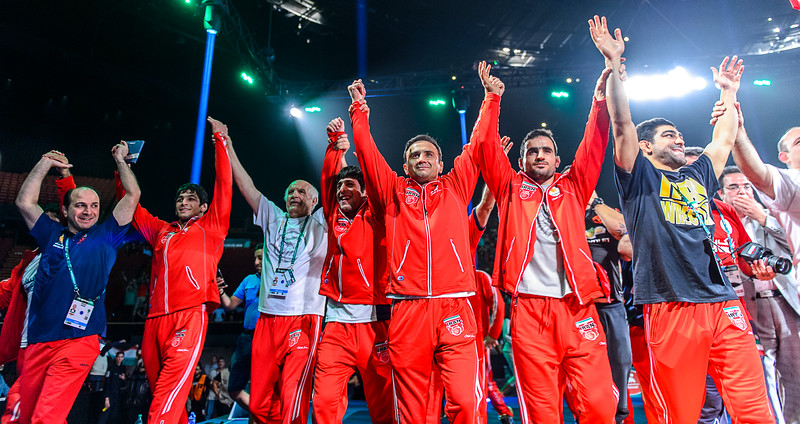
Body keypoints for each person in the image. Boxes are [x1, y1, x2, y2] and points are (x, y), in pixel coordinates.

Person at [595, 11, 773, 421]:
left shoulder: (698, 175)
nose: (678, 140)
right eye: (668, 135)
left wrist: (728, 92)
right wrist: (613, 65)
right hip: (670, 305)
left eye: (679, 134)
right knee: (681, 413)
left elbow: (723, 138)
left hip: (723, 302)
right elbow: (621, 124)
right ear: (646, 147)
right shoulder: (639, 178)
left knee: (753, 409)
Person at [473, 53, 617, 421]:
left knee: (600, 404)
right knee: (541, 411)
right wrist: (492, 99)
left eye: (546, 151)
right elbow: (485, 149)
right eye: (532, 151)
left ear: (557, 159)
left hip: (577, 306)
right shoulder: (509, 187)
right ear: (521, 161)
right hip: (530, 310)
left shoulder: (574, 186)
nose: (539, 155)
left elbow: (595, 144)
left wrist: (599, 102)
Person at [348, 72, 488, 423]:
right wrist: (359, 109)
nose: (421, 158)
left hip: (454, 303)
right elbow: (367, 154)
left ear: (441, 164)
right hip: (407, 308)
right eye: (414, 155)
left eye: (429, 154)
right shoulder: (392, 191)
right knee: (413, 410)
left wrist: (491, 99)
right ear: (405, 165)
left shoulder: (456, 186)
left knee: (465, 401)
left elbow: (476, 144)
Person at [14, 142, 139, 423]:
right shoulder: (51, 234)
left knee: (46, 417)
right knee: (28, 416)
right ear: (66, 209)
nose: (88, 211)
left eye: (94, 206)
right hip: (38, 341)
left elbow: (132, 195)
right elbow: (24, 202)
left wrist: (120, 161)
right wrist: (45, 163)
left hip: (79, 340)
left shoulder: (107, 235)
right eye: (80, 205)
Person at [123, 116, 232, 424]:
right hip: (154, 319)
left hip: (190, 315)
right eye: (180, 198)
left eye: (191, 199)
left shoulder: (212, 227)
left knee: (167, 393)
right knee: (162, 391)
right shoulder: (162, 231)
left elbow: (224, 185)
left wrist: (220, 141)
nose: (183, 202)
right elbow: (132, 207)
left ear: (203, 207)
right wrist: (122, 168)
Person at [225, 121, 327, 424]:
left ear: (315, 201)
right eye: (290, 190)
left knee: (294, 393)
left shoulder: (321, 222)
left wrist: (336, 149)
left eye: (302, 191)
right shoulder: (272, 218)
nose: (295, 194)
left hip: (303, 317)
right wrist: (227, 143)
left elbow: (336, 189)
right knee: (258, 400)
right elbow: (245, 185)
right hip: (268, 318)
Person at [311, 118, 392, 424]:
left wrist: (357, 137)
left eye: (350, 185)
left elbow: (377, 179)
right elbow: (328, 179)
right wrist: (335, 144)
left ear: (366, 192)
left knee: (384, 406)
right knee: (324, 403)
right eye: (340, 186)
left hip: (376, 323)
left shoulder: (378, 214)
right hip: (336, 326)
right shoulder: (334, 214)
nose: (342, 190)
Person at [718, 164, 800, 424]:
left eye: (746, 186)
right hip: (749, 305)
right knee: (764, 373)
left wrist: (763, 217)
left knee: (795, 372)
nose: (742, 192)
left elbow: (793, 245)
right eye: (733, 187)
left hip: (785, 302)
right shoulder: (722, 225)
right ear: (721, 194)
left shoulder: (771, 215)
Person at [1, 154, 76, 424]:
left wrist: (65, 177)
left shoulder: (73, 249)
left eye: (52, 223)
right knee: (38, 412)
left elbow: (73, 208)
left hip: (58, 344)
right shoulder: (28, 262)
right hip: (27, 345)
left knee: (31, 409)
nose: (46, 227)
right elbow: (5, 294)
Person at [583, 190, 633, 423]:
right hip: (578, 307)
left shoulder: (605, 213)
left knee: (620, 363)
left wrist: (595, 202)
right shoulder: (561, 214)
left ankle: (619, 416)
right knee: (585, 370)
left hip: (610, 303)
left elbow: (627, 246)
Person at [731, 116, 800, 281]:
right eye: (799, 142)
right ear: (785, 157)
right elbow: (758, 175)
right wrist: (736, 131)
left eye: (746, 186)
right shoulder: (792, 183)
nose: (741, 191)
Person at [217, 245, 262, 412]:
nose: (256, 262)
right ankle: (263, 416)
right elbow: (229, 305)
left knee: (262, 387)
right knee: (234, 389)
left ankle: (263, 417)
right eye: (255, 258)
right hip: (246, 339)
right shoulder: (249, 280)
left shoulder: (278, 279)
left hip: (266, 340)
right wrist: (220, 291)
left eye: (260, 258)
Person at [99, 352, 127, 424]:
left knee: (113, 415)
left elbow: (123, 385)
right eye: (118, 357)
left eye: (121, 357)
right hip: (109, 395)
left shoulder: (122, 368)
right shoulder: (111, 368)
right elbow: (107, 384)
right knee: (104, 413)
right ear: (116, 358)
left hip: (117, 395)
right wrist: (107, 398)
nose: (119, 359)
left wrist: (123, 379)